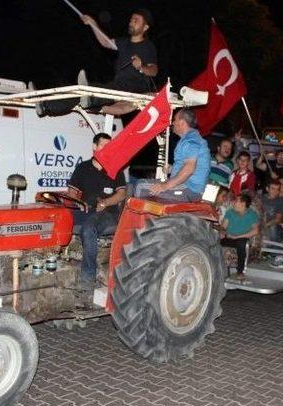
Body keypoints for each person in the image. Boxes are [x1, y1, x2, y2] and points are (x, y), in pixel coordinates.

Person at [37, 9, 157, 117]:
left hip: (135, 87)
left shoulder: (147, 46)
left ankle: (90, 98)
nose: (131, 22)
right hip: (118, 85)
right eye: (131, 19)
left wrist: (141, 67)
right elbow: (105, 42)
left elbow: (154, 70)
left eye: (136, 20)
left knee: (93, 91)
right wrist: (92, 23)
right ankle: (46, 106)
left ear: (145, 27)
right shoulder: (123, 42)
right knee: (83, 91)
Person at [67, 133, 127, 287]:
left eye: (110, 146)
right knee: (59, 220)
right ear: (94, 147)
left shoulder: (115, 169)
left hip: (108, 212)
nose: (107, 149)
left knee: (88, 228)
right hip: (86, 209)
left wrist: (106, 202)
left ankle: (87, 280)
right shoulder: (83, 167)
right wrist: (78, 202)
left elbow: (122, 194)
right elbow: (72, 192)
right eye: (103, 145)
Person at [135, 108, 210, 201]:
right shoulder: (190, 138)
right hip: (186, 186)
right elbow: (188, 165)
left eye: (175, 120)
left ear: (182, 122)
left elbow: (189, 168)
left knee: (141, 187)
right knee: (140, 183)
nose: (173, 123)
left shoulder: (191, 140)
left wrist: (165, 186)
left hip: (188, 189)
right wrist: (171, 168)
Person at [220, 193, 260, 280]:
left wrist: (237, 237)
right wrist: (223, 232)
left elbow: (255, 231)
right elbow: (223, 227)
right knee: (215, 239)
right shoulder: (230, 212)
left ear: (243, 203)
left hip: (242, 238)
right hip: (229, 238)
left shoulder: (252, 214)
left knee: (242, 243)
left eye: (236, 201)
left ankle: (240, 271)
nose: (233, 203)